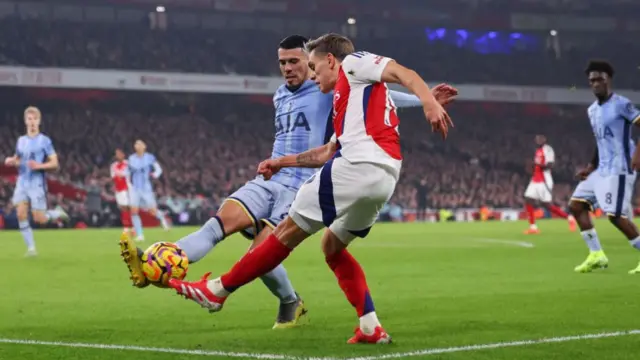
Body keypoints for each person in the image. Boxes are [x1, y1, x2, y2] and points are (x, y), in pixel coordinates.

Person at [119, 34, 456, 329]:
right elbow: (317, 142)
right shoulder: (280, 95)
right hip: (273, 177)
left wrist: (426, 99)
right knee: (221, 225)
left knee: (266, 246)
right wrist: (276, 163)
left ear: (317, 63)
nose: (291, 68)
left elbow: (386, 92)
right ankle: (157, 265)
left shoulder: (333, 84)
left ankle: (268, 298)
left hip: (307, 182)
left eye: (298, 61)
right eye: (283, 62)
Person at [569, 60, 640, 274]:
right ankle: (596, 254)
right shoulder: (592, 110)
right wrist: (591, 167)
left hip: (620, 168)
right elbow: (600, 142)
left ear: (608, 79)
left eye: (599, 79)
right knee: (576, 205)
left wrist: (637, 153)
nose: (595, 83)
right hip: (602, 170)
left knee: (616, 216)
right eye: (592, 80)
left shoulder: (622, 104)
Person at [4, 106, 68, 256]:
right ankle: (31, 248)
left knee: (40, 219)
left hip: (36, 183)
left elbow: (55, 163)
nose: (32, 122)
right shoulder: (21, 141)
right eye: (29, 119)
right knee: (20, 214)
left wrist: (39, 165)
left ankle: (56, 213)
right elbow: (18, 158)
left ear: (39, 121)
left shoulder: (44, 141)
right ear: (25, 122)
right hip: (22, 182)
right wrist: (11, 160)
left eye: (34, 119)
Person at [523, 134, 576, 234]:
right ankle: (533, 227)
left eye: (540, 138)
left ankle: (569, 218)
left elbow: (550, 165)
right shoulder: (537, 151)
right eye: (536, 139)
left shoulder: (548, 149)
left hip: (544, 180)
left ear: (544, 139)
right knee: (528, 199)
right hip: (535, 179)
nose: (538, 140)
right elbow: (536, 166)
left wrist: (537, 165)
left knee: (547, 205)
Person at [127, 139, 169, 242]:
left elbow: (158, 169)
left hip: (146, 188)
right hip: (135, 188)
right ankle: (140, 235)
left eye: (140, 144)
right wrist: (128, 185)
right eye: (136, 144)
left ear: (144, 147)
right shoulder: (131, 158)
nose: (138, 146)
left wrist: (155, 175)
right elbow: (127, 172)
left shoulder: (149, 157)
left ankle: (162, 218)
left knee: (152, 211)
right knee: (134, 211)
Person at [110, 148, 132, 233]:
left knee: (128, 207)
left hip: (127, 188)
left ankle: (129, 227)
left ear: (123, 154)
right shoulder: (113, 165)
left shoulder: (128, 164)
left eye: (119, 153)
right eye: (116, 154)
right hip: (118, 189)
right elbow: (114, 177)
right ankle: (127, 226)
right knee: (123, 208)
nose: (118, 155)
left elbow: (126, 175)